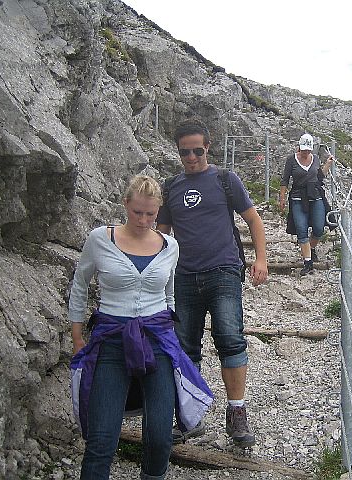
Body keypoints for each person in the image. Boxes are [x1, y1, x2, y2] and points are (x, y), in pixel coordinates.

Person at [69, 175, 213, 480]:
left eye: (151, 214)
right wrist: (77, 335)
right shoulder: (99, 239)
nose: (144, 220)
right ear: (125, 205)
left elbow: (169, 292)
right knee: (101, 439)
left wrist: (170, 332)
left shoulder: (169, 245)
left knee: (160, 438)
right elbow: (80, 284)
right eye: (137, 212)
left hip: (157, 340)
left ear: (159, 210)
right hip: (111, 340)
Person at [156, 117, 268, 448]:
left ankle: (237, 414)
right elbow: (161, 234)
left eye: (197, 151)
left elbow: (253, 220)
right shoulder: (170, 187)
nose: (191, 158)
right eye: (184, 152)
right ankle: (190, 417)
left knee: (230, 339)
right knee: (185, 346)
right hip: (184, 277)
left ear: (208, 147)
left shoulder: (225, 179)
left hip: (224, 271)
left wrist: (261, 260)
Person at [279, 133, 334, 275]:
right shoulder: (291, 160)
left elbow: (319, 177)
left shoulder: (315, 159)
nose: (306, 152)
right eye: (304, 150)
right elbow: (285, 180)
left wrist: (328, 164)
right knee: (301, 229)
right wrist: (282, 198)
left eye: (308, 150)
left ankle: (311, 249)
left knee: (319, 227)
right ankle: (308, 262)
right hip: (297, 197)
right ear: (299, 147)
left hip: (315, 196)